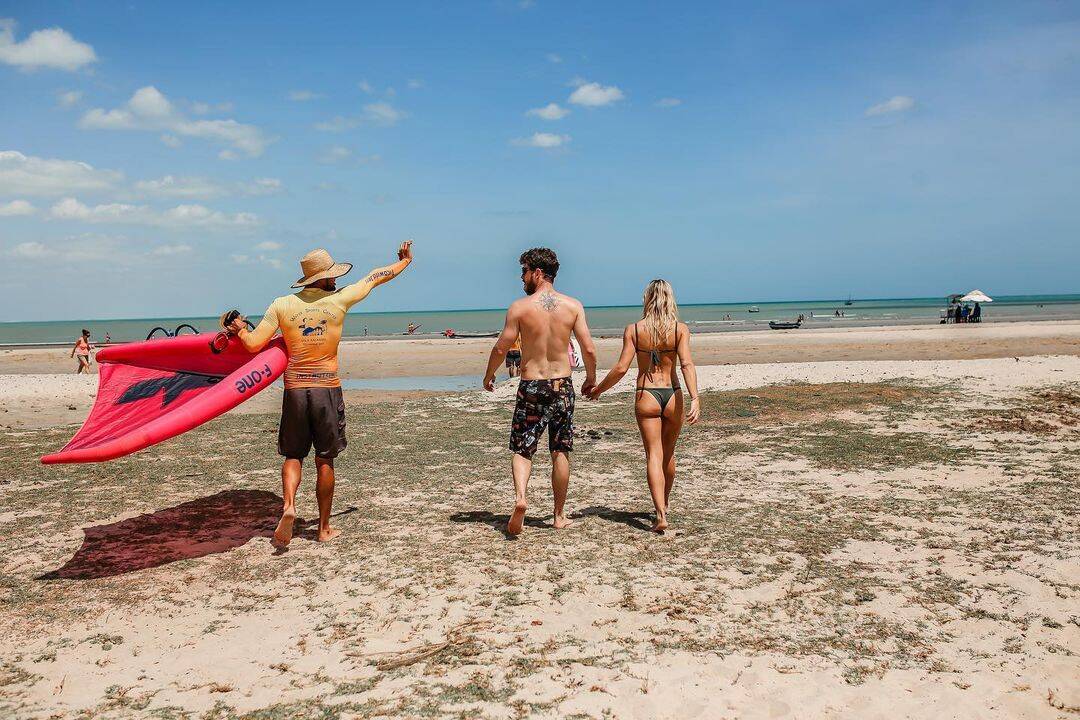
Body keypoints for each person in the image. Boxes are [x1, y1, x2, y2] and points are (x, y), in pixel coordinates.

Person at [229, 241, 415, 547]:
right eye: (332, 276)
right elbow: (375, 277)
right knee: (325, 459)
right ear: (323, 279)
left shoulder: (282, 305)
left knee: (293, 455)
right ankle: (324, 527)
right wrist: (405, 262)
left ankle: (289, 505)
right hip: (326, 387)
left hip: (295, 390)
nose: (336, 280)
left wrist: (239, 329)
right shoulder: (340, 300)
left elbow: (253, 345)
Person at [483, 248, 597, 536]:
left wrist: (489, 374)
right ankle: (559, 515)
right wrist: (591, 379)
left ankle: (521, 498)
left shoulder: (520, 308)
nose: (520, 277)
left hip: (531, 385)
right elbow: (589, 348)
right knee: (560, 450)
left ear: (537, 272)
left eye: (523, 271)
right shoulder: (572, 306)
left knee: (523, 449)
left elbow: (501, 347)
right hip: (562, 385)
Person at [586, 280, 701, 533]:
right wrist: (695, 397)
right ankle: (665, 504)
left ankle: (660, 513)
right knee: (668, 454)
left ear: (647, 299)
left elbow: (621, 368)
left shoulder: (635, 330)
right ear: (670, 299)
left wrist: (599, 389)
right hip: (672, 393)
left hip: (646, 394)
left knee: (654, 455)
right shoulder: (679, 329)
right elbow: (686, 365)